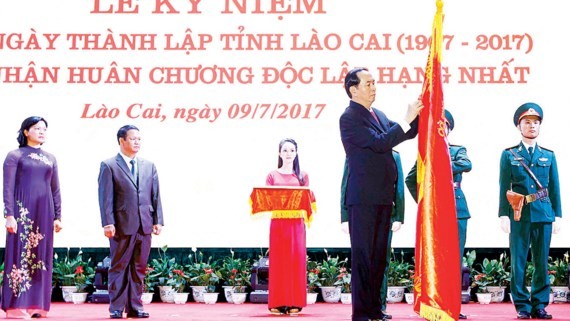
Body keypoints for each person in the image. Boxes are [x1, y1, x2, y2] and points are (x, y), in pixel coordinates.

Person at [339, 67, 423, 321]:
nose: (374, 87)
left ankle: (375, 309)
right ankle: (362, 314)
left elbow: (405, 133)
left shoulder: (378, 114)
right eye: (368, 84)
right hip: (363, 199)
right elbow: (380, 143)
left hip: (383, 198)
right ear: (353, 89)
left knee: (378, 258)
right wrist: (407, 118)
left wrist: (419, 113)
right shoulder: (349, 117)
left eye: (375, 83)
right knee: (364, 258)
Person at [405, 109, 471, 319]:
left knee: (454, 260)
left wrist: (441, 162)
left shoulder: (457, 150)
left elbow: (467, 164)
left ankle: (453, 306)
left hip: (456, 209)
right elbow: (410, 178)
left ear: (448, 129)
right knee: (434, 259)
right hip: (434, 213)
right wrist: (425, 203)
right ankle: (434, 303)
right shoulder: (425, 153)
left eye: (443, 127)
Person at [498, 103, 561, 320]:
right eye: (527, 122)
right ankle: (522, 305)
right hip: (519, 214)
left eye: (536, 122)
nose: (532, 126)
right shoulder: (509, 155)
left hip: (543, 214)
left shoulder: (549, 155)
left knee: (542, 261)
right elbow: (504, 186)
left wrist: (558, 214)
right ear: (519, 126)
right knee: (518, 262)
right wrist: (503, 214)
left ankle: (540, 305)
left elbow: (554, 188)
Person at [98, 125, 164, 319]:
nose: (137, 142)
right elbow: (105, 198)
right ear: (122, 140)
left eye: (139, 139)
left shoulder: (149, 165)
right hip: (121, 225)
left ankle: (135, 306)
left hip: (144, 224)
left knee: (139, 268)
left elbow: (156, 195)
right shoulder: (109, 165)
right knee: (119, 267)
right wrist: (107, 222)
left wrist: (158, 220)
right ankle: (116, 307)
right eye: (133, 138)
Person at [2, 116, 62, 319]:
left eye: (44, 128)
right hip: (22, 212)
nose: (42, 132)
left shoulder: (50, 158)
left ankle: (39, 305)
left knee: (41, 257)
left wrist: (58, 216)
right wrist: (9, 215)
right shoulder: (15, 155)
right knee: (19, 255)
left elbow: (55, 189)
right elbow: (8, 188)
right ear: (26, 131)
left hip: (44, 212)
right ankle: (15, 307)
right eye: (37, 128)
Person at [340, 150, 405, 320]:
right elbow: (346, 185)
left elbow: (398, 187)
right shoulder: (355, 152)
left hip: (385, 215)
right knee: (362, 260)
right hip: (360, 214)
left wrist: (399, 216)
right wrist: (344, 217)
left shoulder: (394, 155)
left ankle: (379, 307)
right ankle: (362, 309)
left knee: (381, 261)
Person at [265, 138, 310, 315]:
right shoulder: (272, 175)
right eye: (285, 150)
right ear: (279, 153)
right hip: (278, 223)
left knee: (295, 261)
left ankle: (295, 302)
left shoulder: (302, 176)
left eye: (292, 150)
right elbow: (267, 199)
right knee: (278, 261)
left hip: (296, 224)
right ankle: (277, 302)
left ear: (296, 153)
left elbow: (307, 199)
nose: (288, 153)